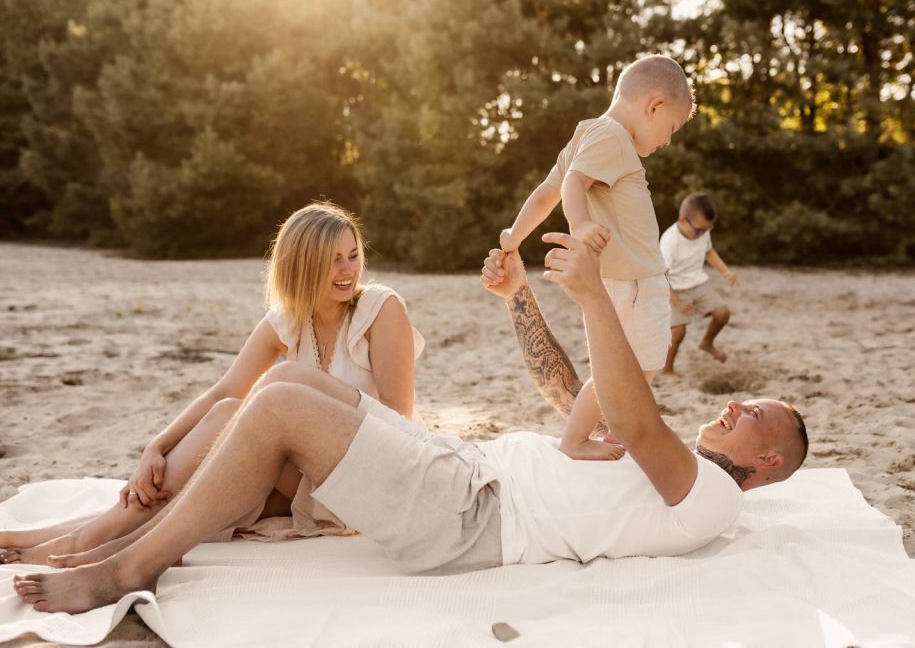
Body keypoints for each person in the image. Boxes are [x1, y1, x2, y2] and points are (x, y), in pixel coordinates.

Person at [12, 234, 808, 615]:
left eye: (757, 415)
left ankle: (127, 567)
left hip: (473, 516)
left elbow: (633, 417)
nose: (738, 405)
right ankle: (119, 531)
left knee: (283, 403)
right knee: (287, 375)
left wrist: (596, 296)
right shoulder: (668, 461)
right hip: (464, 465)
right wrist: (521, 296)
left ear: (769, 461)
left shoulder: (711, 496)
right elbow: (571, 387)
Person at [0, 201, 423, 566]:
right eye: (334, 259)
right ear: (303, 265)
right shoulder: (287, 321)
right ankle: (59, 536)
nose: (348, 270)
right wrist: (156, 446)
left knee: (219, 442)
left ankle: (84, 540)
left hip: (367, 475)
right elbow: (224, 391)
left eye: (352, 255)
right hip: (303, 476)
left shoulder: (380, 309)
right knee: (199, 476)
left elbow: (397, 418)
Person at [499, 55, 696, 461]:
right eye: (671, 128)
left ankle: (605, 432)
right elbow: (573, 185)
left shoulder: (586, 136)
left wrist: (512, 238)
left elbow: (544, 193)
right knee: (634, 370)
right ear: (654, 105)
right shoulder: (613, 138)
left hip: (619, 282)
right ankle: (576, 439)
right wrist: (581, 223)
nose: (668, 141)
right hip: (638, 282)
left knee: (624, 367)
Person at [660, 193, 737, 374]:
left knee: (722, 313)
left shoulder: (702, 231)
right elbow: (660, 276)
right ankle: (668, 370)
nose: (702, 234)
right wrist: (677, 302)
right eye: (698, 230)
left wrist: (725, 270)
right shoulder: (670, 241)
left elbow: (709, 251)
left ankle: (707, 343)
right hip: (674, 288)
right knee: (678, 332)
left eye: (707, 229)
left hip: (698, 283)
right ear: (683, 220)